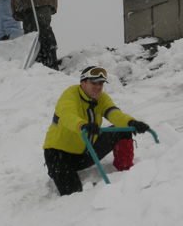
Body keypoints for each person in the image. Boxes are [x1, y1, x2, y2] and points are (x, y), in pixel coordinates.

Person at [42, 66, 151, 196]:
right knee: (73, 195)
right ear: (83, 83)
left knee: (121, 130)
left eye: (101, 83)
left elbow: (114, 113)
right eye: (94, 83)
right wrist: (83, 125)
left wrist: (131, 122)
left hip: (87, 151)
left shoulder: (101, 98)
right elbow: (67, 116)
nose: (98, 87)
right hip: (59, 156)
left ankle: (125, 171)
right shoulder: (70, 95)